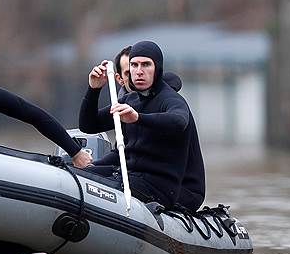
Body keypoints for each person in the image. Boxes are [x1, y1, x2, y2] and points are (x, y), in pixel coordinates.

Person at [80, 40, 203, 209]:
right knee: (78, 175)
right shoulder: (129, 100)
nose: (139, 71)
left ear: (157, 69)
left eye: (146, 65)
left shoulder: (171, 99)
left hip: (162, 188)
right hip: (132, 176)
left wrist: (138, 118)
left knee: (104, 187)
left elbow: (178, 121)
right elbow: (88, 125)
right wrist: (93, 89)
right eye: (134, 65)